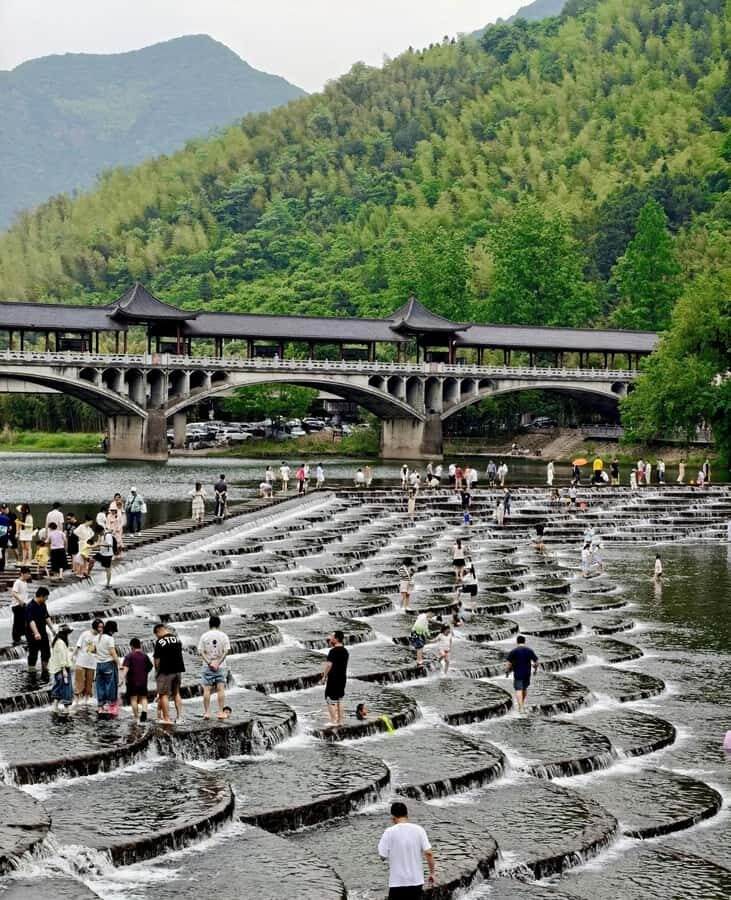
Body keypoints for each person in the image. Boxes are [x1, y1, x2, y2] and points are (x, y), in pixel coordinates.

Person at [378, 801, 435, 899]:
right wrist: (432, 873)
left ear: (393, 817)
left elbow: (382, 856)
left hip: (397, 883)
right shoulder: (419, 830)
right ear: (407, 815)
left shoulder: (389, 832)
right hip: (416, 881)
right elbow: (429, 853)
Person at [198, 615, 231, 719]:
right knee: (220, 689)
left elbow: (201, 651)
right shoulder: (224, 636)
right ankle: (221, 712)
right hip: (221, 666)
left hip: (207, 666)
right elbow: (226, 651)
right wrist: (218, 663)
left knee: (206, 690)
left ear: (209, 624)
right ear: (219, 624)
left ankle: (207, 713)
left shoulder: (204, 636)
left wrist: (209, 662)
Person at [153, 623, 186, 725]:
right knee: (176, 693)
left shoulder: (160, 641)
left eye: (156, 635)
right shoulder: (177, 639)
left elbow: (157, 660)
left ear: (159, 631)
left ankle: (167, 718)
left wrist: (157, 672)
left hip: (165, 671)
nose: (157, 637)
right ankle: (179, 717)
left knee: (163, 695)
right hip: (178, 670)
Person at [121, 637, 153, 722]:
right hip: (143, 681)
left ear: (131, 646)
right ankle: (144, 712)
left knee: (133, 699)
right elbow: (150, 667)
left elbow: (126, 668)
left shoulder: (129, 656)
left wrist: (121, 679)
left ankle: (137, 717)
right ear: (140, 645)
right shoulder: (145, 656)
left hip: (132, 681)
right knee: (144, 698)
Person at [321, 630, 349, 728]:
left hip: (333, 679)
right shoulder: (345, 651)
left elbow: (329, 665)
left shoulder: (333, 651)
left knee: (329, 699)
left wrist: (324, 677)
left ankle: (333, 721)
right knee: (340, 699)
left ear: (336, 639)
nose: (330, 638)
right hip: (342, 678)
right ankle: (340, 721)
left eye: (332, 637)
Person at [505, 635, 539, 713]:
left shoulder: (514, 651)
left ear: (517, 642)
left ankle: (521, 708)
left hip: (518, 673)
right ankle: (522, 704)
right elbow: (536, 662)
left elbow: (508, 663)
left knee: (518, 689)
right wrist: (535, 670)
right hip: (527, 673)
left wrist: (507, 671)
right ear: (524, 641)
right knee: (524, 688)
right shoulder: (529, 650)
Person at [73, 618, 102, 703]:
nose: (101, 629)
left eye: (102, 627)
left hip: (92, 664)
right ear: (95, 627)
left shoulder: (101, 637)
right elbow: (78, 646)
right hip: (81, 662)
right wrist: (72, 656)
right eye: (99, 627)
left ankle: (86, 702)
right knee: (79, 684)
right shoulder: (85, 634)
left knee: (89, 685)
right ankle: (76, 702)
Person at [96, 620, 120, 716]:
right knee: (110, 686)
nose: (113, 633)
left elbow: (92, 649)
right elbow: (112, 652)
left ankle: (100, 707)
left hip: (99, 664)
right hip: (109, 664)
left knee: (100, 686)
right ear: (111, 630)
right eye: (113, 631)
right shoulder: (110, 638)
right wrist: (119, 663)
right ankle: (112, 707)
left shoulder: (97, 637)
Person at [26, 587, 52, 673]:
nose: (46, 600)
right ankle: (31, 670)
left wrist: (52, 629)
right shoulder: (31, 606)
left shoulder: (43, 604)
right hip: (32, 634)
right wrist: (36, 633)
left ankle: (45, 669)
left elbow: (46, 617)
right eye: (45, 598)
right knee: (33, 654)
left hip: (43, 632)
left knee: (46, 652)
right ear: (41, 596)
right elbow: (31, 621)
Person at [49, 624, 74, 715]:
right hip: (62, 669)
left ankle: (55, 707)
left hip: (57, 669)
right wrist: (64, 670)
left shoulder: (57, 642)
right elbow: (62, 657)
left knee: (59, 687)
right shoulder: (60, 643)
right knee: (66, 688)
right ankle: (66, 709)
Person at [11, 566, 32, 645]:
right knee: (17, 622)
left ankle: (19, 637)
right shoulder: (18, 582)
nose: (28, 575)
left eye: (29, 574)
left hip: (23, 605)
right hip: (17, 605)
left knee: (22, 622)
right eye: (27, 574)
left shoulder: (25, 582)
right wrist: (20, 601)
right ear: (22, 574)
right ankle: (16, 638)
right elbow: (13, 593)